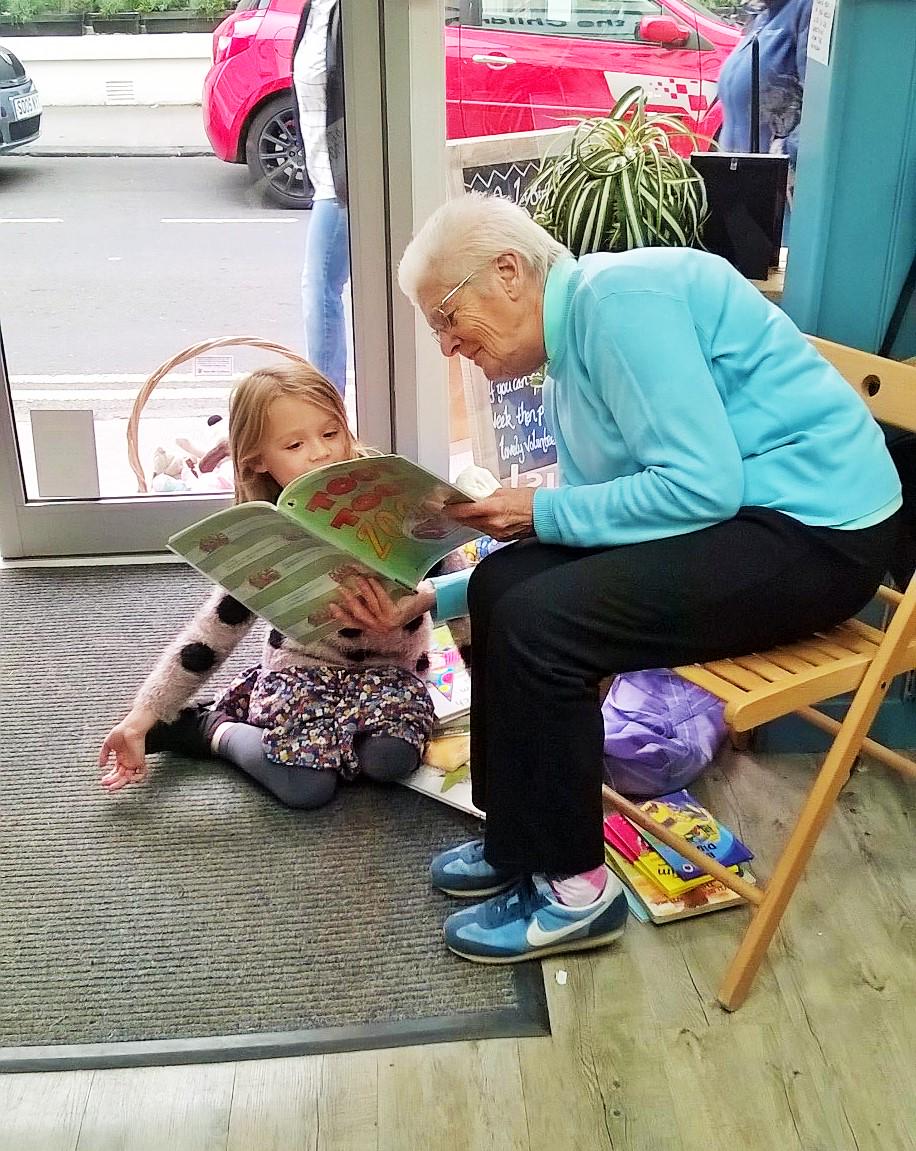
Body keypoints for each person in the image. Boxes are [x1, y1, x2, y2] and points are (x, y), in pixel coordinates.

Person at [347, 192, 901, 966]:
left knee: (546, 624)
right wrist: (436, 595)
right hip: (746, 513)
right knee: (504, 591)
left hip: (821, 532)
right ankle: (519, 842)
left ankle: (579, 892)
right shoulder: (570, 349)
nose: (446, 346)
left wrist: (539, 511)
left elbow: (698, 488)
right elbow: (602, 522)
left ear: (508, 271)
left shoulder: (619, 304)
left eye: (445, 316)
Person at [98, 364, 439, 809]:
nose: (321, 453)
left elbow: (459, 585)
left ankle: (328, 745)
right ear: (257, 459)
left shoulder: (395, 498)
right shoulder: (266, 533)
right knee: (307, 789)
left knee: (390, 760)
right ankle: (208, 728)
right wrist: (143, 717)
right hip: (303, 674)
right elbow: (210, 635)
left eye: (331, 432)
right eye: (295, 444)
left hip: (394, 674)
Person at [293, 0, 349, 398]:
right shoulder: (313, 10)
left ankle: (326, 404)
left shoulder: (353, 15)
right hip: (323, 177)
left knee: (319, 287)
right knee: (320, 287)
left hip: (343, 182)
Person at [718, 0, 812, 210]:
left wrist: (787, 151)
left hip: (777, 197)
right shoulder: (761, 14)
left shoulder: (807, 10)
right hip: (739, 187)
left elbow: (822, 106)